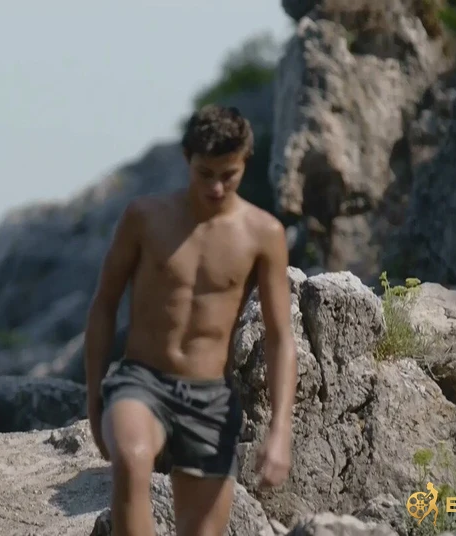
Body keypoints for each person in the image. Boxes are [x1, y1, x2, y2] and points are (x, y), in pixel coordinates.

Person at [84, 105, 297, 536]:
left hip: (210, 397)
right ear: (187, 159)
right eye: (205, 174)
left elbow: (279, 337)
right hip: (141, 380)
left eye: (229, 175)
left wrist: (280, 429)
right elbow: (104, 304)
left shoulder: (264, 234)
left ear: (245, 161)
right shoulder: (144, 218)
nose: (216, 187)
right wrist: (93, 398)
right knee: (132, 458)